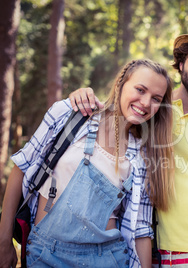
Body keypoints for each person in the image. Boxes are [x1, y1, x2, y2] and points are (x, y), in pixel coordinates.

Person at [69, 22, 188, 268]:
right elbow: (113, 116)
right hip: (142, 247)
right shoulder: (150, 110)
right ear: (182, 64)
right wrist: (83, 95)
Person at [0, 59, 175, 268]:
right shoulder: (70, 114)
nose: (146, 103)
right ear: (121, 84)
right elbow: (21, 167)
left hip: (107, 259)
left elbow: (140, 228)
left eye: (156, 98)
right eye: (140, 89)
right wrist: (3, 242)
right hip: (44, 254)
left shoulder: (143, 156)